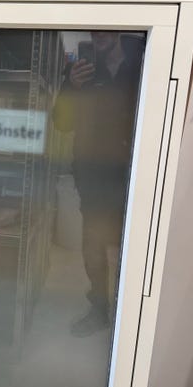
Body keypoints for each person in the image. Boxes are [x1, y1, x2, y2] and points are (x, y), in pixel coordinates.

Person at [53, 31, 144, 337]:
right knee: (93, 241)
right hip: (92, 173)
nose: (100, 34)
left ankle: (129, 311)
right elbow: (61, 123)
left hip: (136, 171)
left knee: (134, 242)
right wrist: (72, 87)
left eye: (107, 28)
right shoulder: (80, 69)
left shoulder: (144, 57)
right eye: (95, 30)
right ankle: (99, 309)